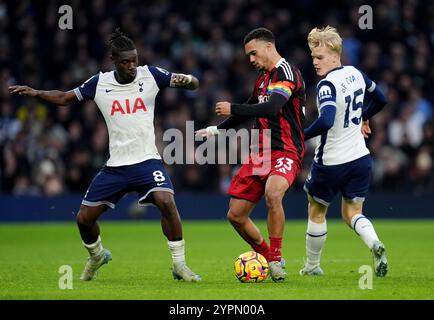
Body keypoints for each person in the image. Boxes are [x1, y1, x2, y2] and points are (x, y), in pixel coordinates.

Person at [9, 28, 201, 282]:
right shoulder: (99, 83)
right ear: (113, 61)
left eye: (134, 60)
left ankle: (179, 265)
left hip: (147, 161)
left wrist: (188, 80)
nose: (132, 66)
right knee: (84, 219)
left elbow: (192, 83)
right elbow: (65, 98)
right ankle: (97, 255)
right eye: (125, 62)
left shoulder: (151, 75)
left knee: (166, 201)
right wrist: (36, 93)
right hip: (117, 166)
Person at [196, 27, 306, 282]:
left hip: (286, 149)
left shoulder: (286, 72)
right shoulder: (262, 79)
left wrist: (232, 106)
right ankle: (267, 256)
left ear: (269, 46)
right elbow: (250, 110)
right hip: (260, 153)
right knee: (235, 215)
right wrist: (215, 130)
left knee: (273, 192)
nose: (251, 60)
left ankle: (276, 259)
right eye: (249, 56)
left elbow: (272, 107)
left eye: (253, 53)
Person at [299, 26, 388, 277]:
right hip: (360, 158)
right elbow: (381, 99)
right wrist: (363, 116)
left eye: (320, 57)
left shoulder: (326, 85)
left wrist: (299, 136)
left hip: (331, 162)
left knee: (316, 211)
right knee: (352, 214)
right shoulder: (356, 73)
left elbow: (326, 121)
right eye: (313, 57)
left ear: (335, 55)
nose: (315, 62)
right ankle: (374, 244)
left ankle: (312, 266)